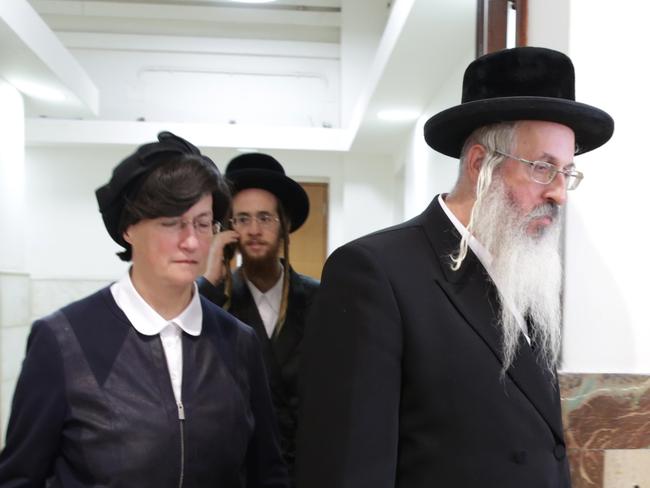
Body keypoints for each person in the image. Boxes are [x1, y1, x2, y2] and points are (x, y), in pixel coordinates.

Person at [295, 46, 614, 488]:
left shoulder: (529, 276)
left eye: (567, 172)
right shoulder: (374, 273)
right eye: (543, 168)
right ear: (480, 164)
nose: (560, 193)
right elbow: (348, 470)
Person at [0, 132, 288, 487]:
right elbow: (20, 478)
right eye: (171, 222)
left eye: (202, 223)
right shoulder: (64, 340)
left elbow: (267, 472)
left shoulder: (238, 342)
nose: (191, 240)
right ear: (128, 228)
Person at [198, 153, 319, 482]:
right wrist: (208, 282)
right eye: (242, 219)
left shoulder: (321, 299)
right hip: (238, 472)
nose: (253, 230)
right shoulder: (212, 302)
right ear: (228, 228)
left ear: (285, 226)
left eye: (265, 218)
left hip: (306, 470)